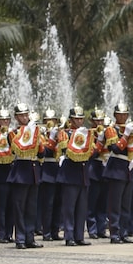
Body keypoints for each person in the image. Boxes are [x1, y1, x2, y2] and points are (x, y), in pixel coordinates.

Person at [7, 103, 45, 249]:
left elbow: (41, 153)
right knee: (19, 207)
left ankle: (30, 238)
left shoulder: (35, 131)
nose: (24, 117)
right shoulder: (13, 132)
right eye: (21, 115)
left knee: (31, 207)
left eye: (26, 115)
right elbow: (16, 148)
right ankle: (20, 238)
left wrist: (39, 142)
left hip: (33, 170)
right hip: (20, 171)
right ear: (16, 117)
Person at [56, 105, 94, 246]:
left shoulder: (86, 134)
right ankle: (69, 236)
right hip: (70, 175)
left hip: (83, 175)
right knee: (69, 208)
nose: (79, 121)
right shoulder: (65, 133)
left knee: (81, 208)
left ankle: (79, 236)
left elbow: (93, 152)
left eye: (81, 119)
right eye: (76, 119)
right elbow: (67, 150)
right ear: (70, 120)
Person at [103, 102, 133, 244]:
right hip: (116, 168)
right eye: (120, 114)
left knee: (125, 204)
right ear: (115, 115)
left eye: (125, 114)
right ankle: (114, 233)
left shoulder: (130, 129)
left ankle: (124, 232)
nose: (123, 117)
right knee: (115, 204)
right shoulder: (111, 130)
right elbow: (116, 148)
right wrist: (126, 134)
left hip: (128, 168)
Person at [0, 108, 15, 244]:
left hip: (11, 172)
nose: (5, 122)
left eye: (7, 119)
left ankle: (9, 233)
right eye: (2, 120)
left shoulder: (13, 134)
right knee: (0, 206)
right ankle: (1, 234)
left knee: (10, 207)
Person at [39, 108, 63, 242]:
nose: (50, 123)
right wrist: (52, 138)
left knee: (58, 204)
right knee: (48, 205)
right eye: (47, 121)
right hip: (47, 171)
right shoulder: (42, 135)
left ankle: (55, 231)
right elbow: (46, 152)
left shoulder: (59, 134)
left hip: (59, 171)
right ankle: (46, 232)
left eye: (53, 120)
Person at [86, 108, 110, 239]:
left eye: (101, 120)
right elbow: (90, 154)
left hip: (105, 170)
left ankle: (101, 229)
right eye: (96, 120)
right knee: (92, 203)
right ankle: (92, 229)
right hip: (94, 169)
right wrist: (99, 142)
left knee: (103, 203)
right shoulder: (89, 134)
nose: (99, 123)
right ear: (91, 121)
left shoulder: (108, 132)